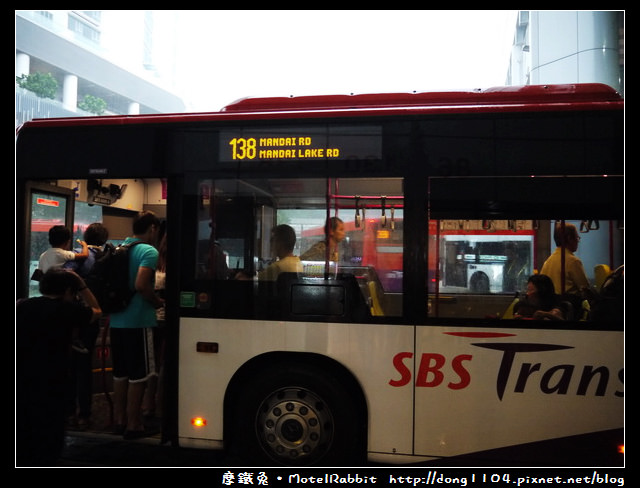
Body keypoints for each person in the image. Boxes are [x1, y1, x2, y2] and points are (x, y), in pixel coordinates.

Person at [16, 268, 102, 466]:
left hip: (22, 375)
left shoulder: (23, 304)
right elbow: (97, 311)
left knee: (25, 423)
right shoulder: (68, 309)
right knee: (51, 427)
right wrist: (83, 285)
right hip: (54, 376)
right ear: (68, 291)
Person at [108, 211, 164, 440]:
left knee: (120, 373)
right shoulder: (148, 251)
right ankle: (134, 424)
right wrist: (157, 301)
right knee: (140, 376)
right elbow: (141, 284)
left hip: (117, 320)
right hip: (139, 321)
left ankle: (119, 420)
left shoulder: (119, 247)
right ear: (152, 228)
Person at [63, 222, 109, 430]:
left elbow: (66, 275)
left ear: (86, 236)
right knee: (85, 366)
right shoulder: (108, 257)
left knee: (70, 365)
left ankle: (70, 412)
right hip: (94, 315)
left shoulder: (81, 256)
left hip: (75, 316)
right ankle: (86, 414)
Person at [39, 224, 90, 354]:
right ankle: (75, 340)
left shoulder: (43, 255)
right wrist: (84, 244)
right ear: (67, 242)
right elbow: (84, 255)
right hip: (61, 291)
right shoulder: (62, 254)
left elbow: (38, 275)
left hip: (47, 290)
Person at [142, 231, 166, 419]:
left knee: (153, 365)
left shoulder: (153, 267)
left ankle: (148, 404)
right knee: (164, 363)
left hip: (151, 318)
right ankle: (159, 406)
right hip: (165, 318)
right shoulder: (172, 268)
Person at [540, 222, 591, 306]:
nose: (578, 242)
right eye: (577, 238)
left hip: (550, 306)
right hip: (568, 307)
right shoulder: (573, 261)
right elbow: (585, 289)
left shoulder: (548, 261)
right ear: (570, 238)